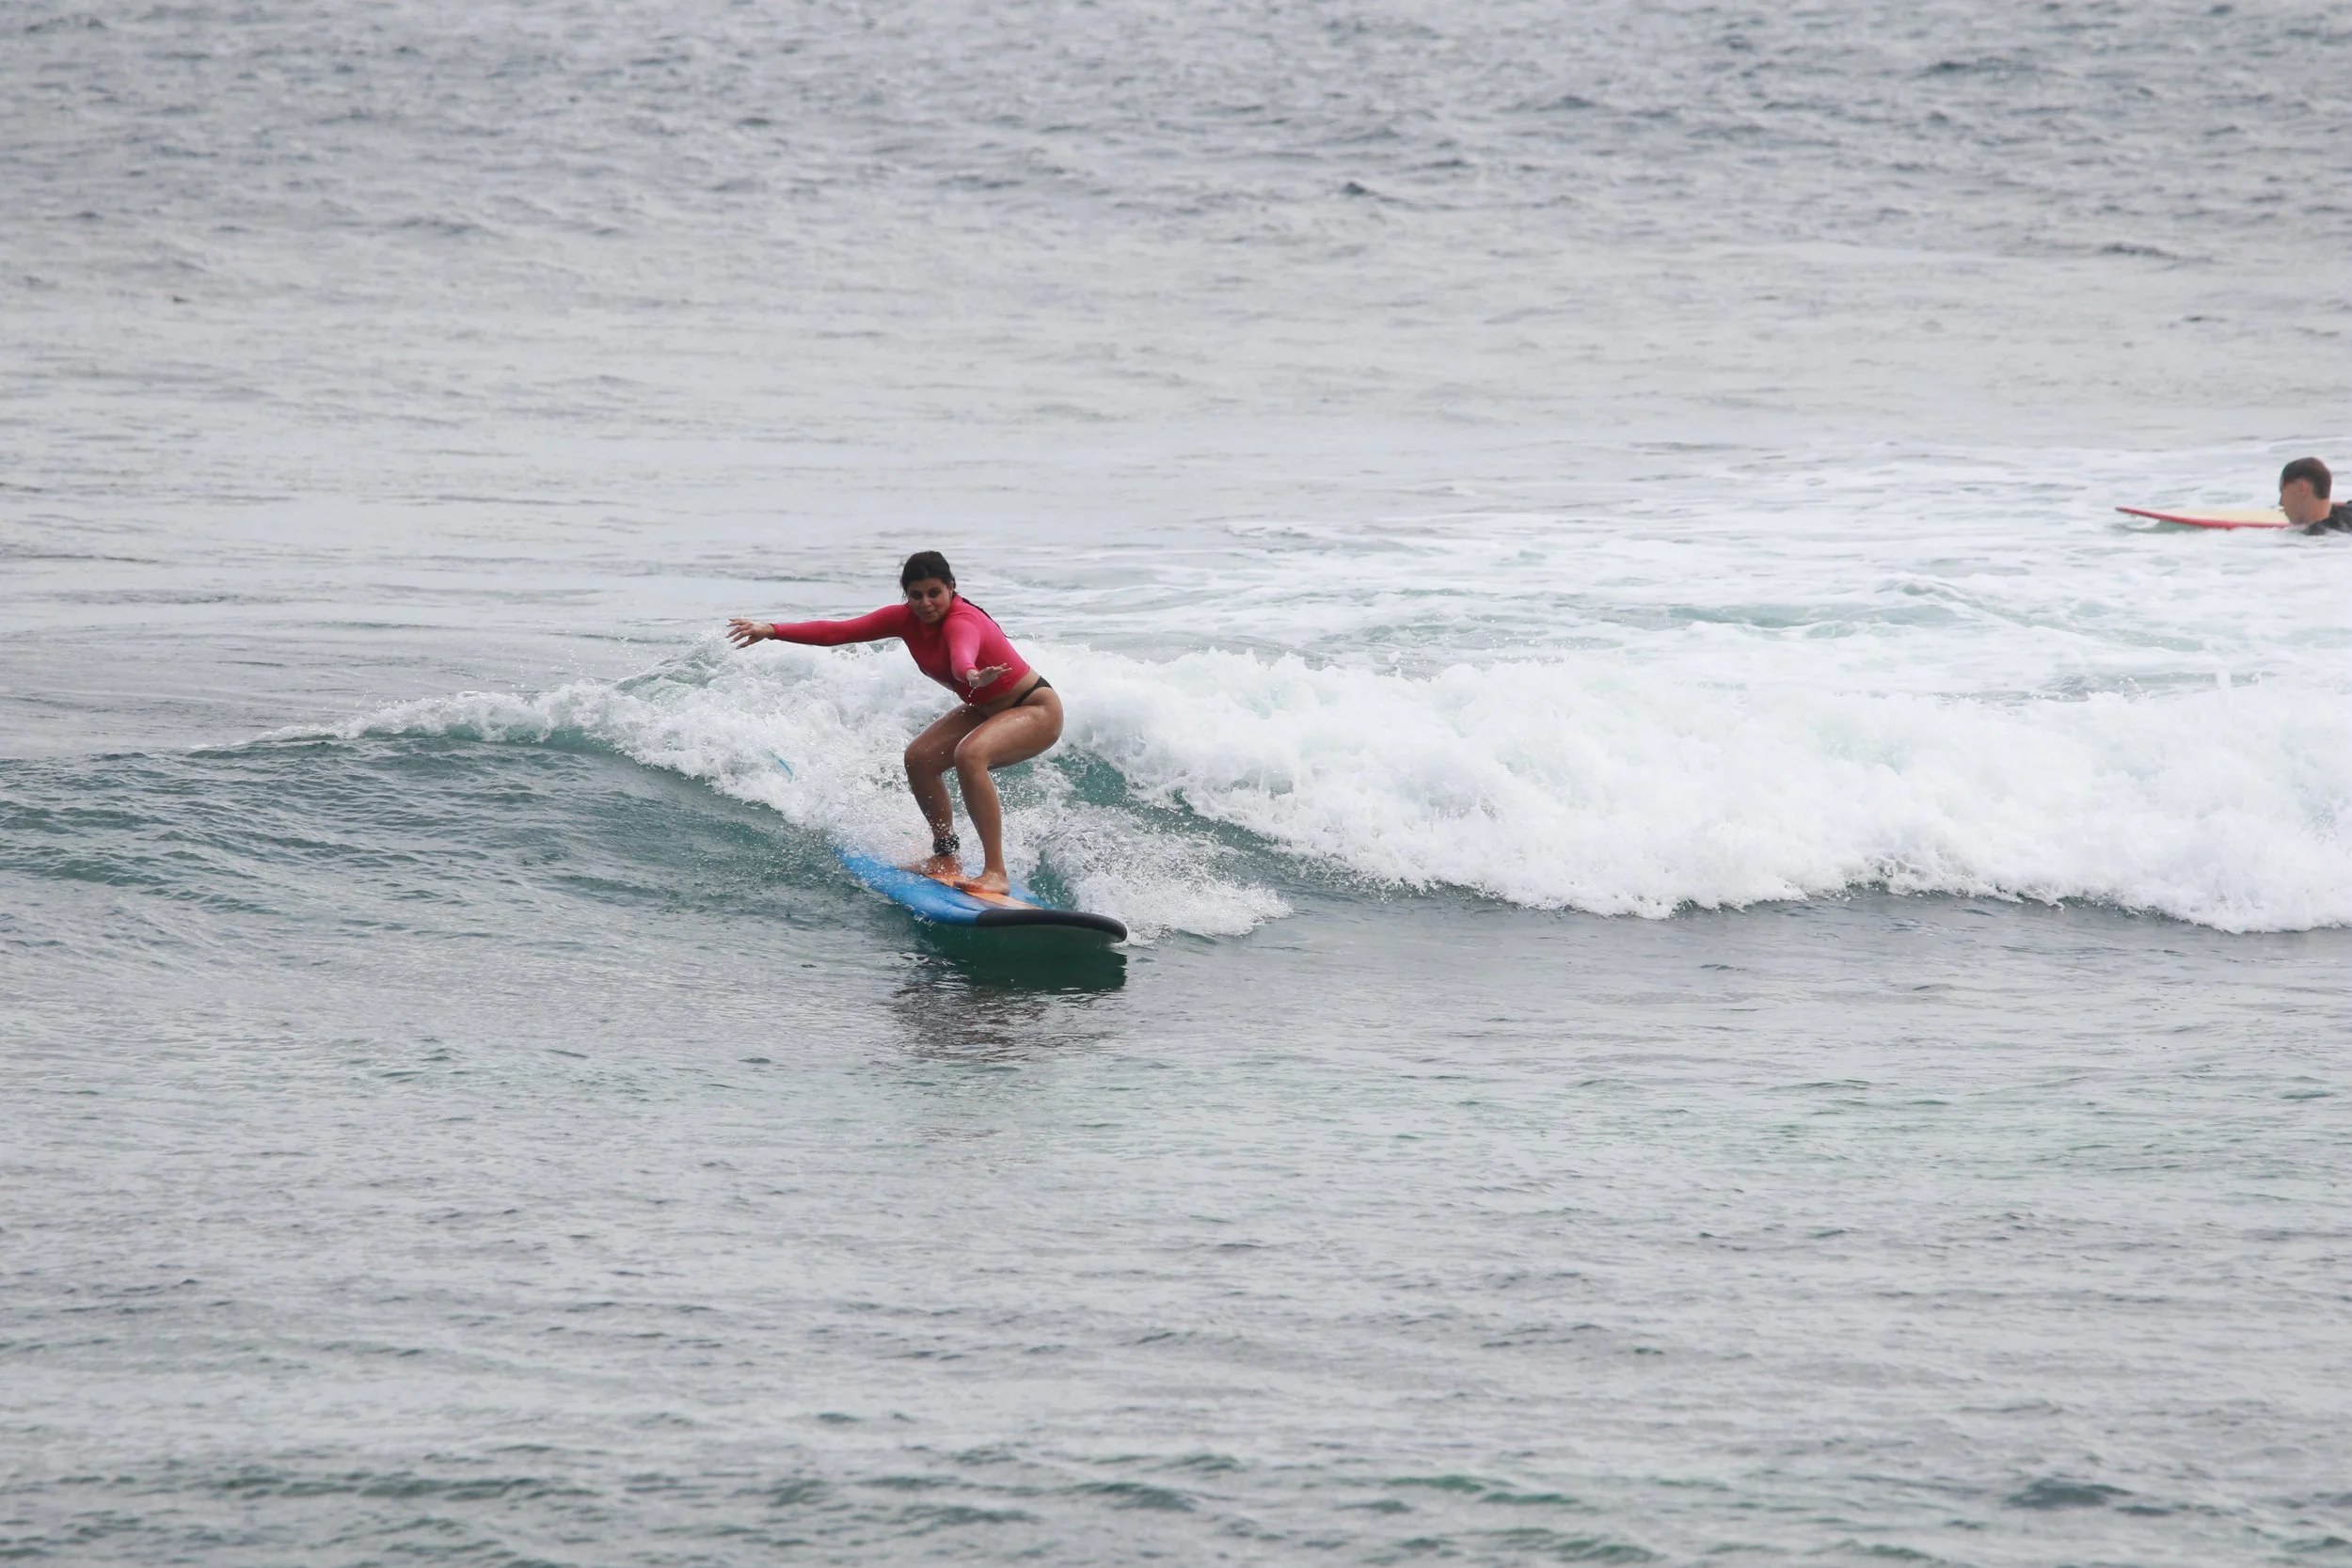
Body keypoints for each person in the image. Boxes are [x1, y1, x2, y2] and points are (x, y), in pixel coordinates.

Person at [727, 551, 1060, 895]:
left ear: (951, 588)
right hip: (985, 707)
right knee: (920, 758)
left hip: (1035, 708)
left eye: (934, 593)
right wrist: (772, 630)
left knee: (970, 755)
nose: (925, 603)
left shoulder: (963, 620)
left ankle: (996, 873)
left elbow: (962, 654)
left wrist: (972, 675)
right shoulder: (904, 619)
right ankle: (946, 856)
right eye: (916, 595)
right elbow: (840, 631)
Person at [2280, 457, 2352, 534]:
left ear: (2301, 488)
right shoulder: (2347, 513)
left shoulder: (2317, 533)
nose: (2281, 502)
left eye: (2283, 492)